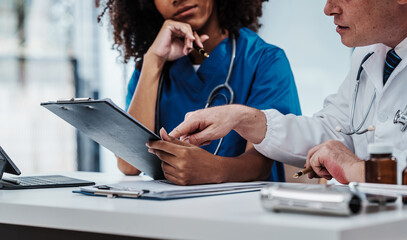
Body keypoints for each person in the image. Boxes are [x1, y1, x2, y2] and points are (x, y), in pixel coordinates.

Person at [161, 0, 407, 184]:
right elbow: (335, 132)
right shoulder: (369, 55)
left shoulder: (262, 58)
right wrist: (241, 118)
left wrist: (355, 170)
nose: (328, 8)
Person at [99, 0, 301, 185]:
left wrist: (214, 169)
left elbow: (261, 165)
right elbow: (129, 165)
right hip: (168, 212)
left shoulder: (265, 60)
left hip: (244, 212)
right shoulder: (151, 67)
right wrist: (153, 60)